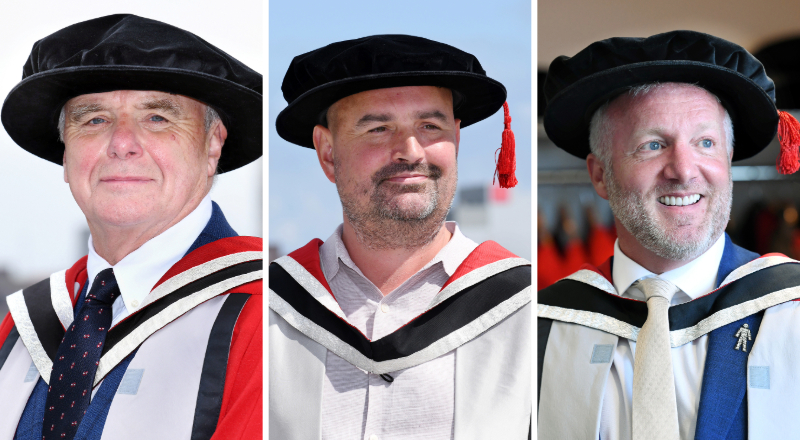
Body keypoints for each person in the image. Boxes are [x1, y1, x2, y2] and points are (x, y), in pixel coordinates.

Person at [0, 15, 262, 440]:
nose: (122, 143)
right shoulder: (24, 326)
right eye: (94, 120)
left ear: (213, 143)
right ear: (65, 154)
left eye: (157, 117)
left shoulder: (263, 315)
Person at [538, 30, 800, 440]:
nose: (683, 169)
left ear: (728, 161)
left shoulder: (790, 308)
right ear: (600, 174)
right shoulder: (542, 327)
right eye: (653, 144)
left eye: (706, 142)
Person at [269, 35, 532, 440]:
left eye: (430, 126)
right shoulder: (267, 309)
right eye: (378, 128)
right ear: (326, 152)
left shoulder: (524, 309)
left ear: (456, 138)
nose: (411, 151)